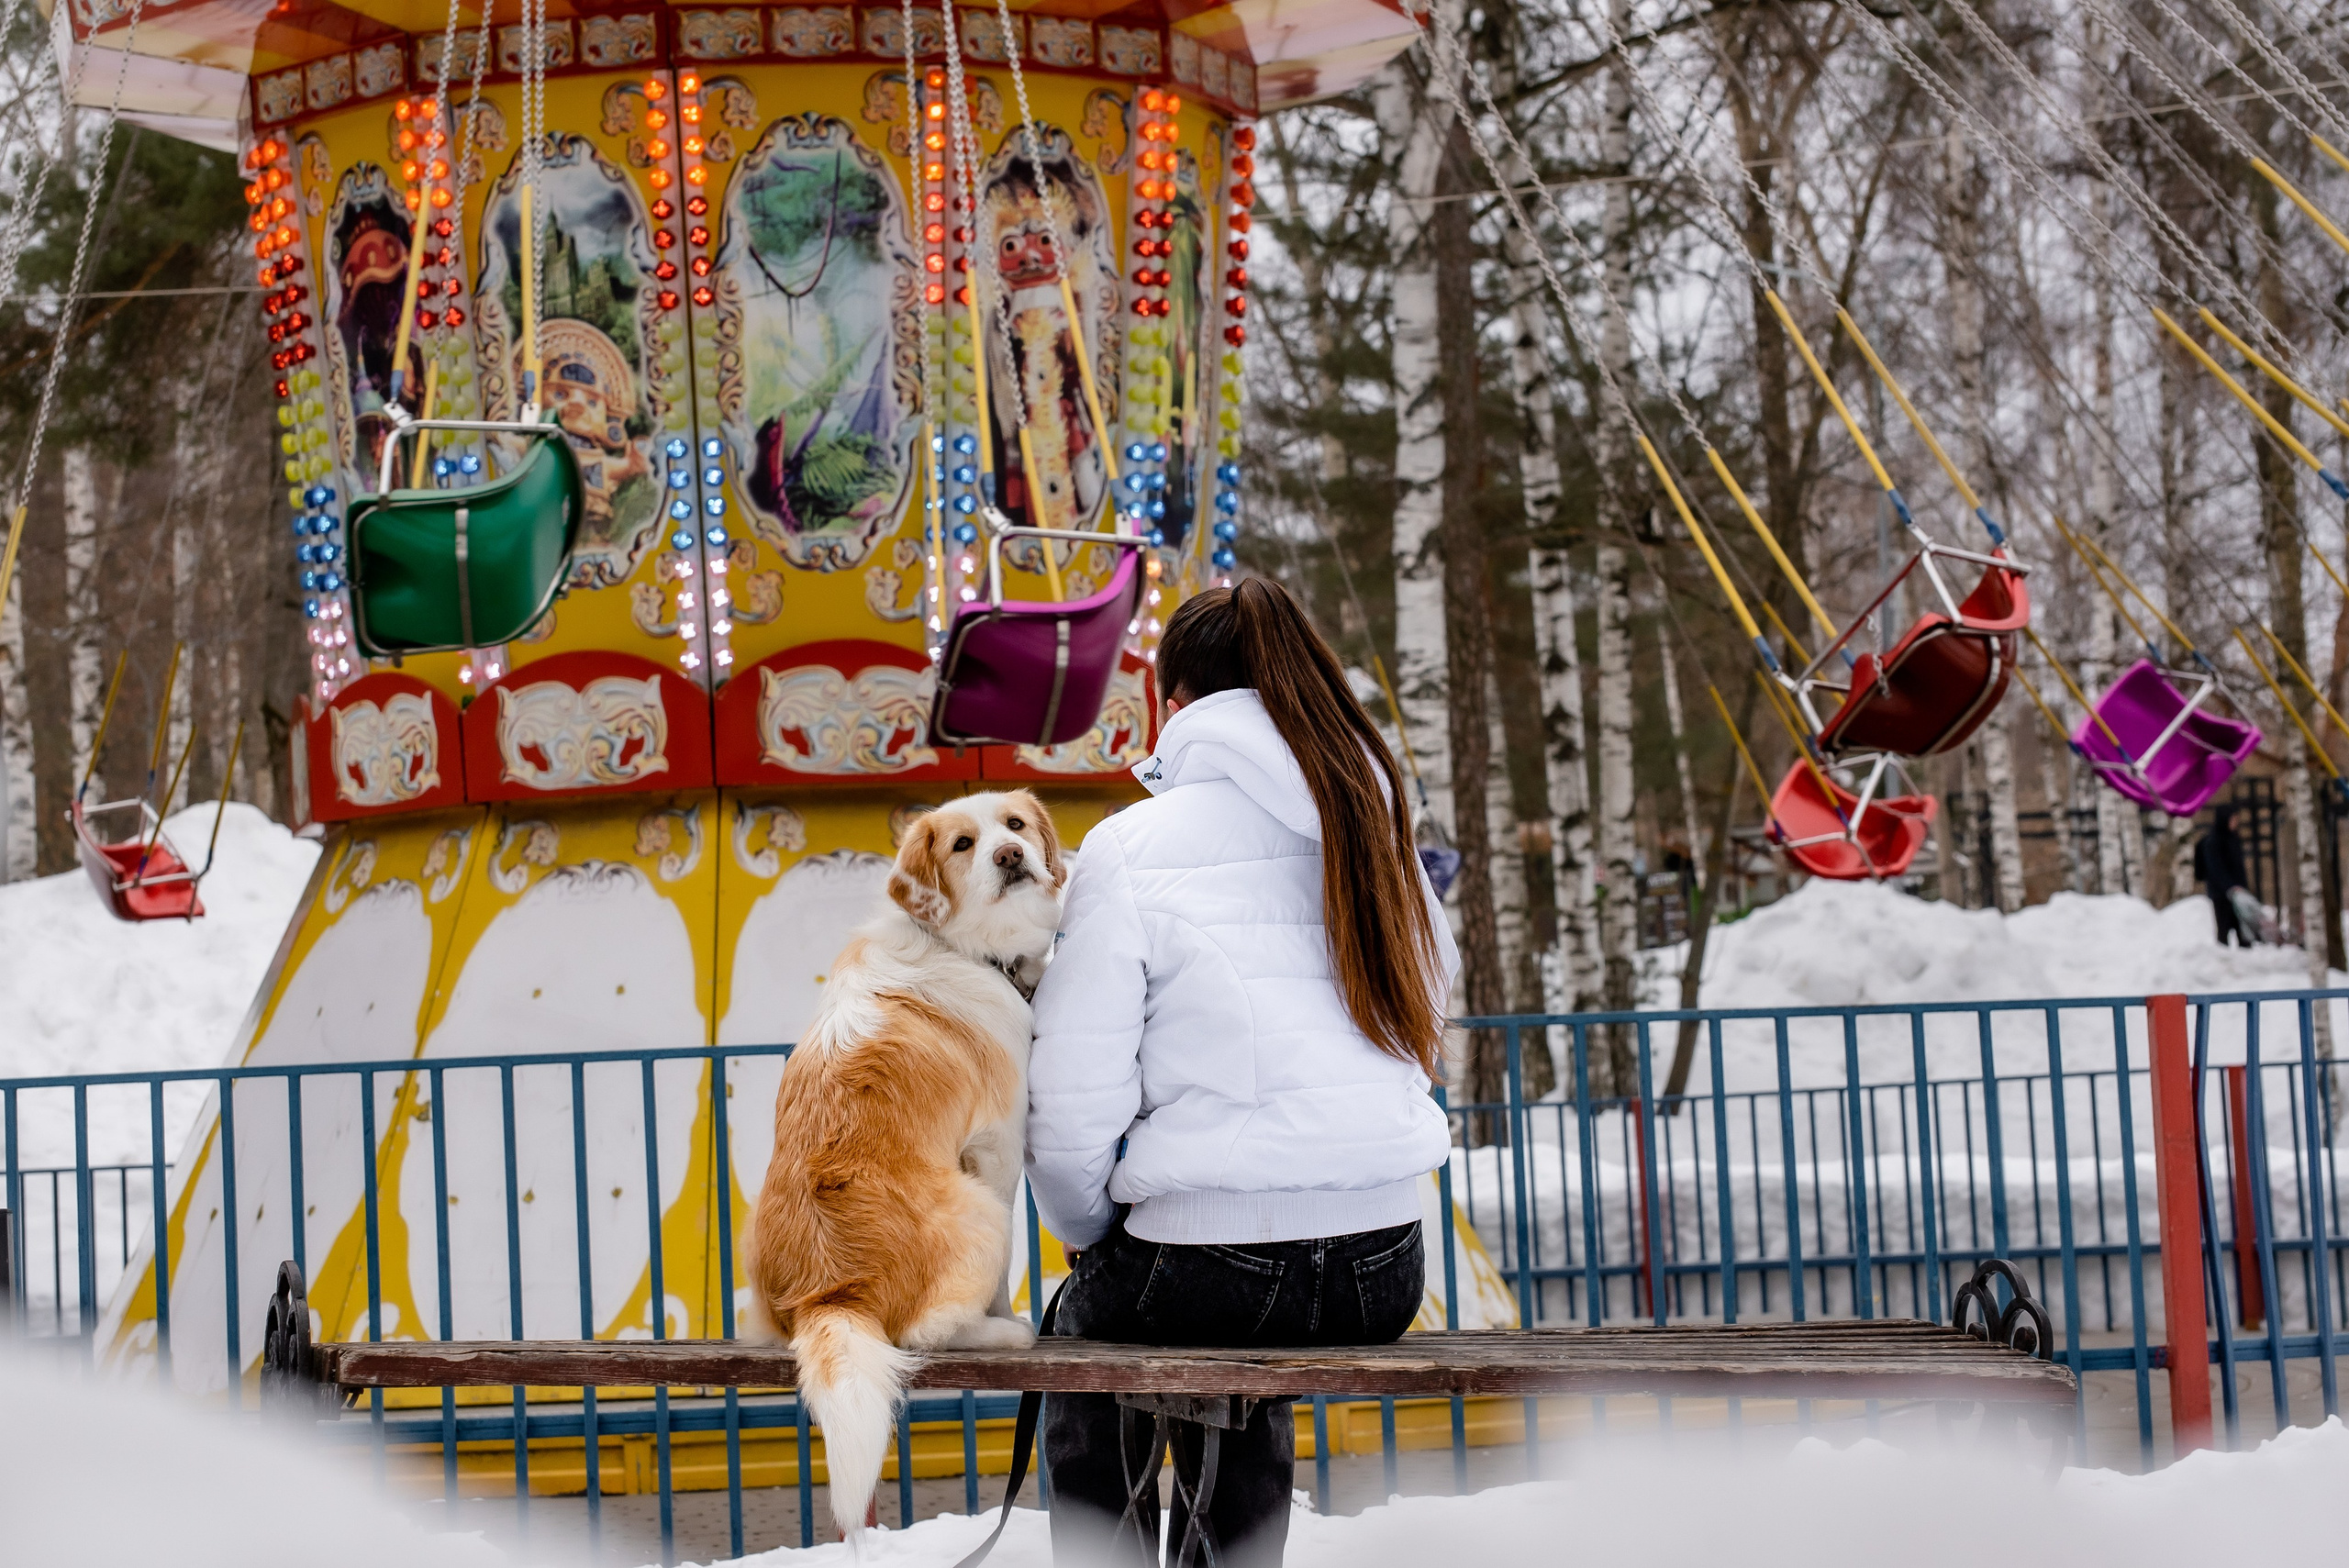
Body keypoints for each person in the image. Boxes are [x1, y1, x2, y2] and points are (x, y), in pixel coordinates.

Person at [1025, 577, 1459, 1567]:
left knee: (1089, 1334)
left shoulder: (1130, 847)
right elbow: (1428, 1005)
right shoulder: (1371, 822)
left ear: (1175, 704)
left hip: (1213, 1261)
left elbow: (1071, 1096)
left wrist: (1088, 1231)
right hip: (1385, 1264)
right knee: (1239, 1319)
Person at [2195, 803, 2252, 947]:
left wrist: (2242, 886)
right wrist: (2230, 886)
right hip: (2220, 893)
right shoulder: (2212, 842)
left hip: (2237, 892)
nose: (2235, 823)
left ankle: (2245, 962)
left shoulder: (2233, 839)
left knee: (2243, 932)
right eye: (2233, 819)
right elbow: (2215, 868)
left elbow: (2239, 867)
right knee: (2223, 931)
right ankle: (2224, 963)